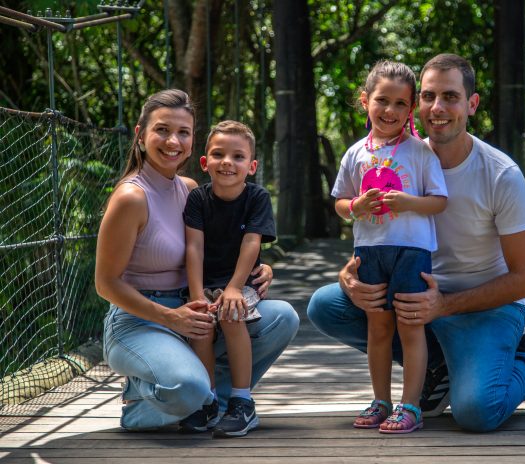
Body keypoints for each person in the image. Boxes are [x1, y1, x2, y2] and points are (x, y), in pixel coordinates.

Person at [307, 53, 525, 432]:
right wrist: (349, 274)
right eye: (429, 96)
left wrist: (444, 305)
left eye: (450, 97)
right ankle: (439, 366)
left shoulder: (501, 175)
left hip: (485, 307)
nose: (437, 107)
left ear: (472, 104)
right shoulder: (399, 156)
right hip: (414, 295)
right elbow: (375, 228)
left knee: (477, 411)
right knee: (327, 305)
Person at [95, 90, 299, 432]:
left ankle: (216, 403)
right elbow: (105, 284)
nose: (173, 141)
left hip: (192, 309)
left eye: (184, 132)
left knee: (282, 318)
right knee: (187, 388)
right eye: (162, 130)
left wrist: (261, 267)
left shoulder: (190, 190)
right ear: (140, 135)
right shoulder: (131, 197)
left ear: (192, 143)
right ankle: (144, 402)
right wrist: (170, 317)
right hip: (140, 320)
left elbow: (220, 244)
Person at [332, 60, 447, 434]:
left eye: (400, 103)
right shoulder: (355, 153)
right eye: (382, 100)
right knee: (378, 328)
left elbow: (439, 202)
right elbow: (340, 202)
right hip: (370, 250)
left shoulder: (420, 152)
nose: (390, 110)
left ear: (411, 108)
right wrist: (356, 206)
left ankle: (410, 406)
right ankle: (381, 401)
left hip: (412, 251)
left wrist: (409, 202)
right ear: (365, 100)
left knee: (410, 326)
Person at [182, 120, 275, 437]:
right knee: (201, 325)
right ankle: (206, 400)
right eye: (218, 154)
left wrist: (235, 287)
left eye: (238, 157)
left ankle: (241, 401)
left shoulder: (257, 197)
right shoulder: (198, 198)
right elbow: (194, 247)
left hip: (241, 282)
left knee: (231, 315)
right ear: (204, 162)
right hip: (205, 282)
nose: (227, 162)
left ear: (252, 166)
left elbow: (252, 243)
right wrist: (197, 295)